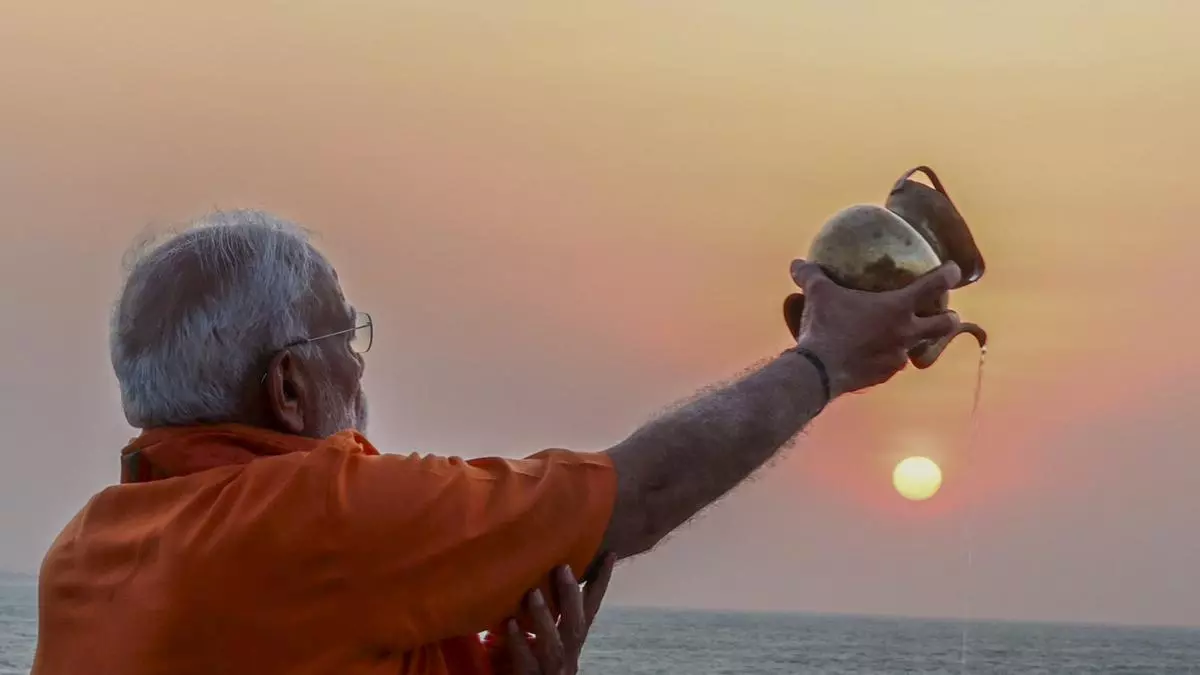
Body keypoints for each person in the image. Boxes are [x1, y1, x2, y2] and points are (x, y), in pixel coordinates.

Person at [32, 210, 963, 675]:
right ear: (287, 385)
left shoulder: (83, 553)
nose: (360, 369)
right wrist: (827, 361)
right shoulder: (314, 513)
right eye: (344, 337)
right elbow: (635, 494)